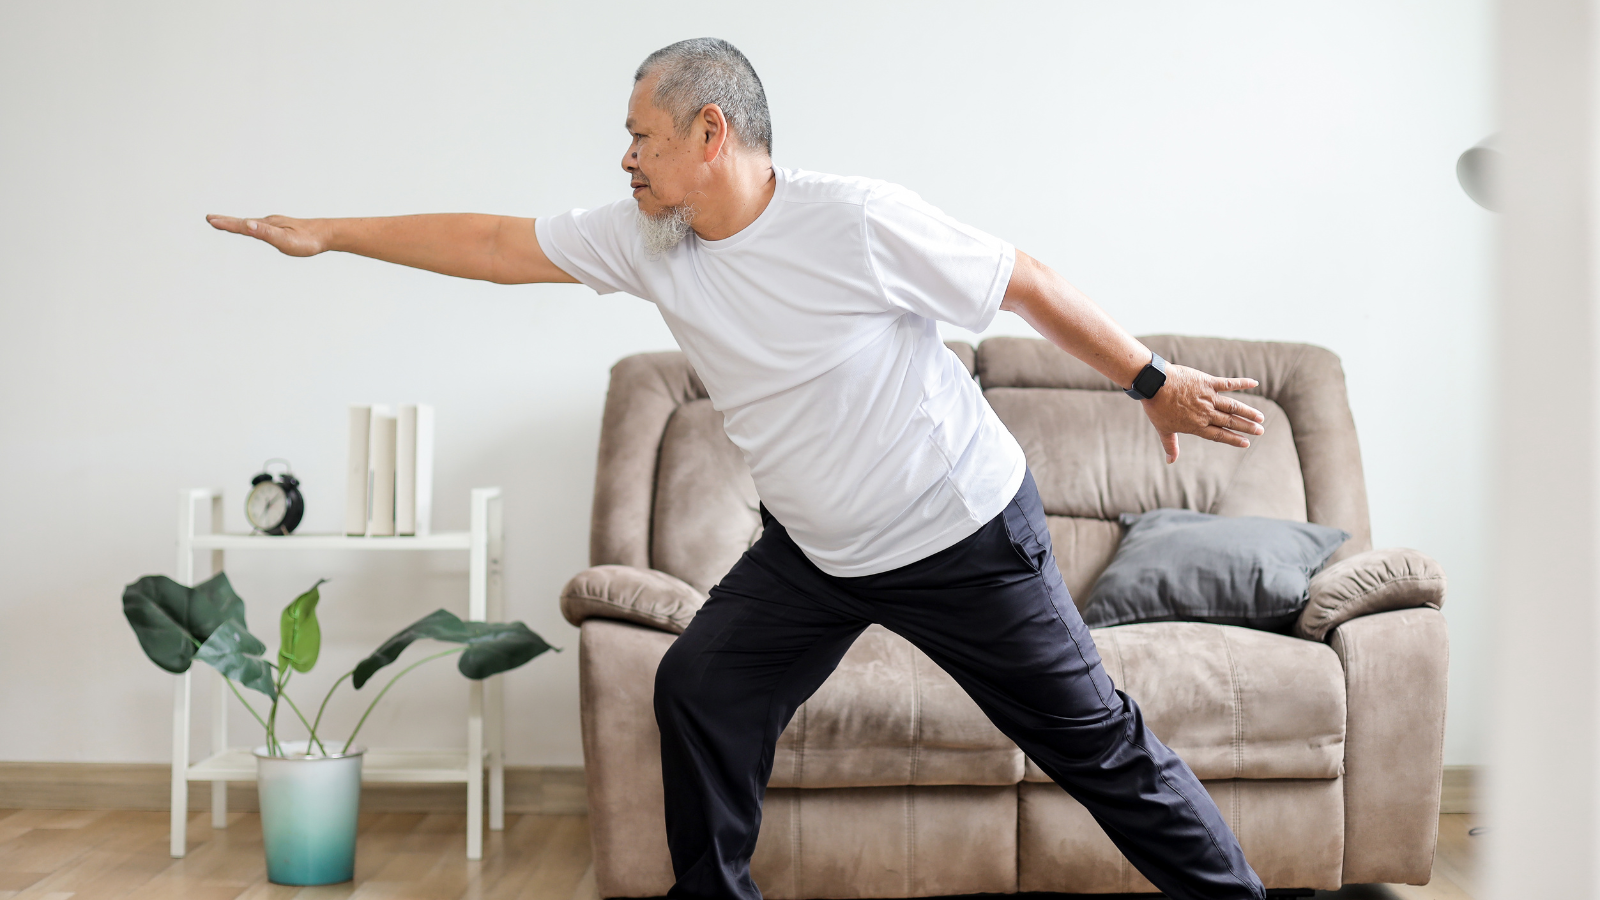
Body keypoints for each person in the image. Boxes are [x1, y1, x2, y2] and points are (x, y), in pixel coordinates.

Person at [208, 37, 1269, 900]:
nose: (625, 160)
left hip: (960, 535)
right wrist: (333, 234)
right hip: (815, 549)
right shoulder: (647, 239)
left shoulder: (852, 221)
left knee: (1101, 754)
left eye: (640, 137)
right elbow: (494, 242)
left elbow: (1021, 280)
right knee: (700, 688)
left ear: (709, 132)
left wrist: (1151, 381)